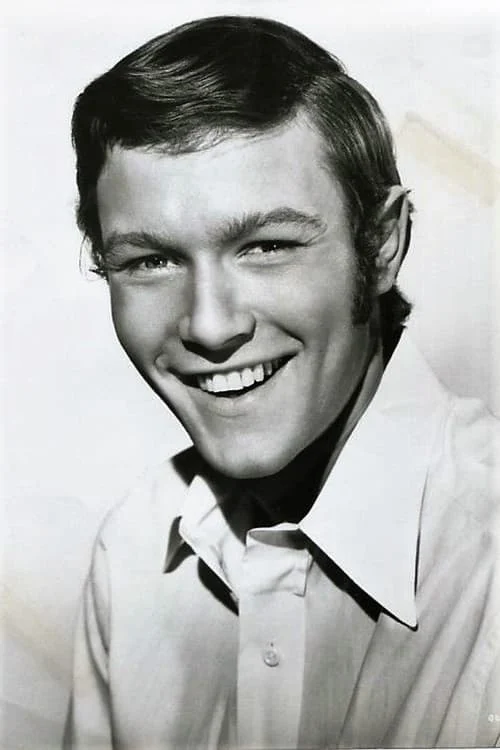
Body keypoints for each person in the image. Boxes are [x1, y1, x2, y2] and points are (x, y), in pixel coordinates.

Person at [65, 15, 499, 749]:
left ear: (382, 243)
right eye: (150, 262)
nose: (210, 327)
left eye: (266, 246)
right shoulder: (134, 553)